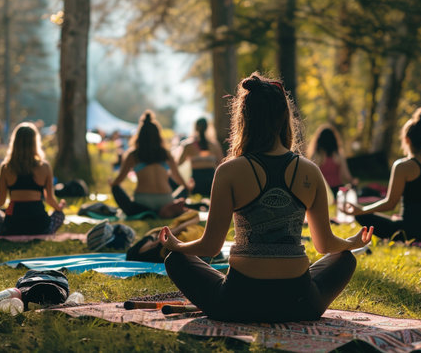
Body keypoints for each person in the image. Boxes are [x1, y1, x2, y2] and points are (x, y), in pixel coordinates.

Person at [159, 72, 373, 323]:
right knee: (344, 259)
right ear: (284, 117)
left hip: (236, 304)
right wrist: (351, 242)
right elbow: (325, 245)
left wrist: (177, 246)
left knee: (176, 261)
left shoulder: (229, 171)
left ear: (244, 120)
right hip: (301, 304)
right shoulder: (310, 171)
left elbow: (210, 247)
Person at [345, 107, 421, 242]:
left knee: (362, 216)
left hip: (407, 231)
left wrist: (361, 209)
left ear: (406, 139)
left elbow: (390, 204)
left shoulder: (402, 166)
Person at [0, 122, 65, 235]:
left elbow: (1, 200)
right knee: (60, 214)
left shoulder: (6, 167)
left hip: (13, 226)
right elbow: (49, 199)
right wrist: (59, 207)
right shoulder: (45, 167)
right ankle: (47, 231)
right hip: (40, 226)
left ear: (15, 142)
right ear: (35, 142)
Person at [110, 110, 191, 219]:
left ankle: (145, 212)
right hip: (165, 200)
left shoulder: (133, 155)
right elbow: (177, 177)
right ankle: (166, 209)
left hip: (142, 202)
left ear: (140, 135)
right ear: (158, 135)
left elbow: (119, 180)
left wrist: (112, 184)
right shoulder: (166, 154)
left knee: (115, 188)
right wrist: (187, 188)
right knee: (185, 188)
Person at [176, 118, 224, 197]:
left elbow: (178, 164)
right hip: (212, 183)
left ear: (195, 127)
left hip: (195, 183)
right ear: (207, 127)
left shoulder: (188, 145)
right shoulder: (214, 145)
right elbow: (221, 164)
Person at [307, 124, 357, 199]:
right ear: (334, 140)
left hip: (322, 191)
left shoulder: (316, 156)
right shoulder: (338, 155)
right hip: (337, 190)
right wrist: (353, 181)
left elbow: (312, 177)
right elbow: (346, 176)